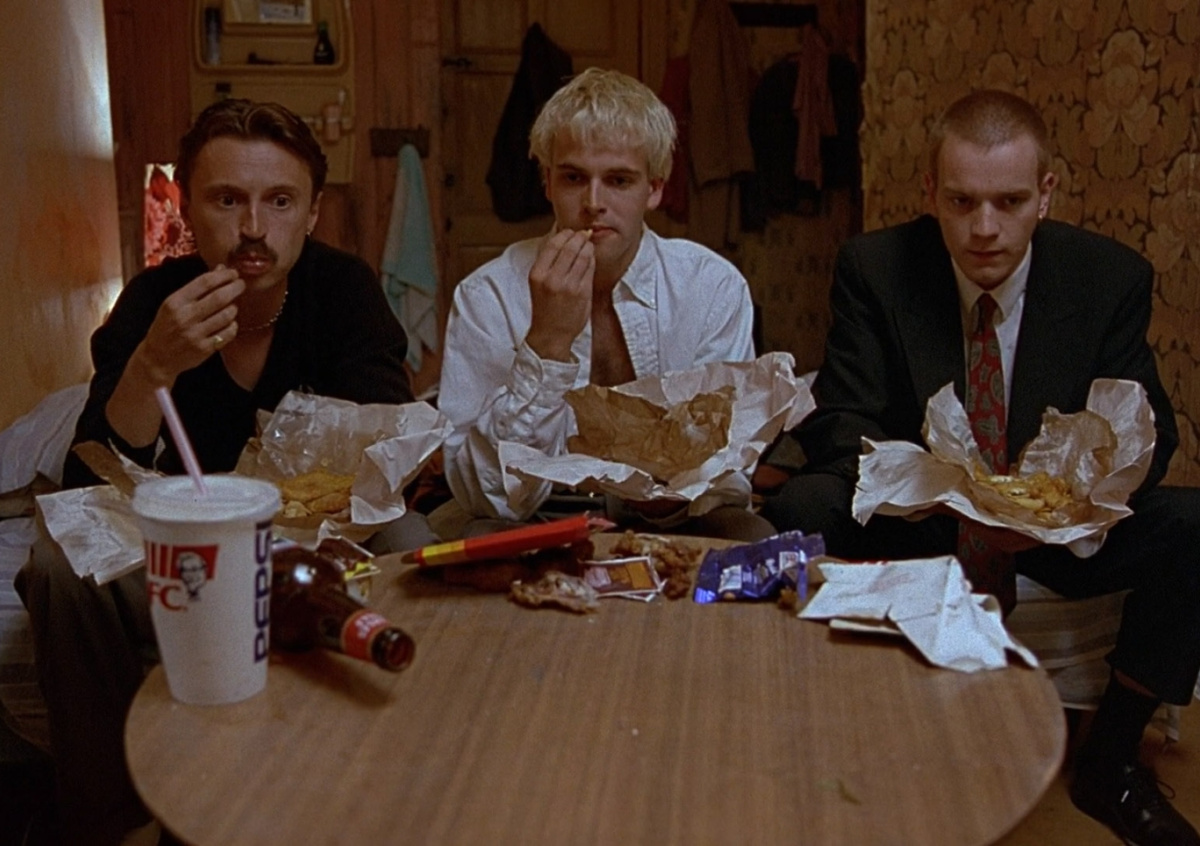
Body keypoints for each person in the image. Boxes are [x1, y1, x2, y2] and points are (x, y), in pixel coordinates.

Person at [763, 89, 1200, 845]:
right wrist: (939, 493)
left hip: (1054, 535)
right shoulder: (876, 266)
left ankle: (1112, 760)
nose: (985, 228)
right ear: (930, 191)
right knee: (802, 505)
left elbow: (1148, 438)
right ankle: (832, 730)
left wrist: (1064, 508)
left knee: (1193, 524)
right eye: (962, 201)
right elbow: (842, 418)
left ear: (1046, 194)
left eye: (1010, 201)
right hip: (926, 522)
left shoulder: (1108, 278)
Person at [16, 99, 432, 846]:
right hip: (185, 552)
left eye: (280, 201)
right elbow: (92, 482)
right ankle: (110, 823)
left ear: (311, 213)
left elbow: (389, 445)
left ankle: (410, 785)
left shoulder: (344, 291)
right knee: (57, 564)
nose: (253, 227)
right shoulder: (152, 302)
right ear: (188, 209)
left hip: (320, 546)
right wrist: (152, 366)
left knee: (414, 539)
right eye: (227, 200)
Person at [439, 67, 773, 542]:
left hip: (676, 514)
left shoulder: (711, 287)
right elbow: (483, 492)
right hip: (534, 516)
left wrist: (668, 489)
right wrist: (547, 343)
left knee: (754, 536)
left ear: (654, 189)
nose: (593, 202)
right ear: (547, 182)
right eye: (574, 178)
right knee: (475, 536)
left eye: (618, 180)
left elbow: (728, 468)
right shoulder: (487, 294)